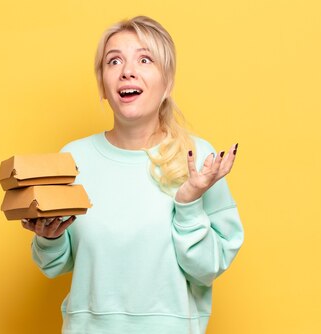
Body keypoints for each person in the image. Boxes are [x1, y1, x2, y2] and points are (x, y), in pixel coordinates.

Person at [20, 15, 244, 334]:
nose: (127, 71)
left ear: (167, 82)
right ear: (103, 84)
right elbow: (55, 266)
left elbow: (208, 267)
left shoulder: (198, 159)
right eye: (114, 61)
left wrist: (189, 204)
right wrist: (50, 237)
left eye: (144, 59)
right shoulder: (72, 158)